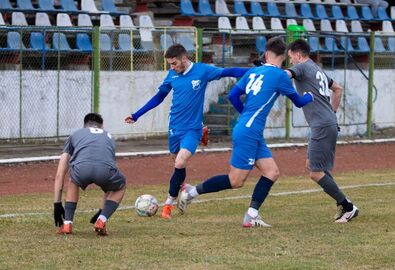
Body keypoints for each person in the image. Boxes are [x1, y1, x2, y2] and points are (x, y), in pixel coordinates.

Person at [177, 37, 313, 227]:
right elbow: (299, 102)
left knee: (272, 172)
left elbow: (233, 95)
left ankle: (251, 215)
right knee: (236, 180)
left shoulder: (254, 71)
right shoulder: (281, 76)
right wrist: (310, 96)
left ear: (266, 54)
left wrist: (245, 115)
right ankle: (191, 192)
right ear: (285, 57)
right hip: (249, 132)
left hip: (249, 130)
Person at [125, 44, 249, 219]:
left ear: (184, 59)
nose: (172, 67)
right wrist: (137, 115)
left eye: (174, 63)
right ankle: (184, 186)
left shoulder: (202, 71)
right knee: (176, 162)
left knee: (180, 162)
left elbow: (229, 71)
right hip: (174, 128)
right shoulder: (172, 75)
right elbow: (159, 97)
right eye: (170, 64)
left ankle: (168, 204)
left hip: (191, 128)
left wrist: (256, 71)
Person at [286, 39, 359, 223]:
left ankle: (348, 207)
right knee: (315, 167)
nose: (291, 62)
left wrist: (267, 72)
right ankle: (345, 204)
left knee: (315, 172)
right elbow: (338, 89)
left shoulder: (302, 67)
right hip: (326, 124)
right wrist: (332, 114)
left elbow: (285, 75)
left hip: (322, 126)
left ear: (298, 55)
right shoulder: (316, 69)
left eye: (291, 58)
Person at [54, 113, 126, 236]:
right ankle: (102, 220)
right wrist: (102, 211)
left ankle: (67, 224)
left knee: (73, 181)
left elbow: (60, 174)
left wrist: (57, 204)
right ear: (101, 126)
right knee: (119, 186)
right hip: (105, 170)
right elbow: (111, 171)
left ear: (85, 125)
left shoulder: (76, 134)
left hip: (81, 170)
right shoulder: (109, 136)